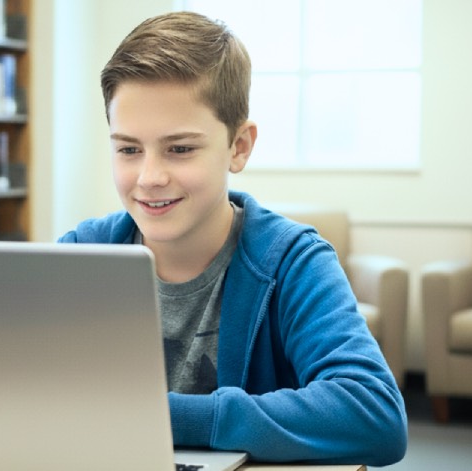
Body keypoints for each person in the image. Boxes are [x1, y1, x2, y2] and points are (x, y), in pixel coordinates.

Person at [57, 11, 407, 466]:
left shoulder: (292, 262)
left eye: (180, 149)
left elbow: (374, 414)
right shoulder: (80, 255)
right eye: (128, 149)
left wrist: (164, 417)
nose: (149, 177)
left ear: (238, 146)